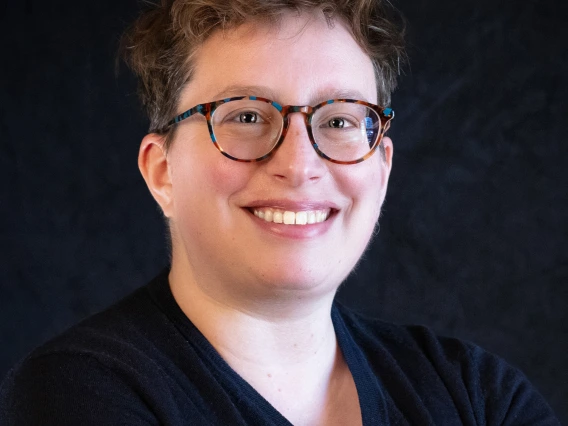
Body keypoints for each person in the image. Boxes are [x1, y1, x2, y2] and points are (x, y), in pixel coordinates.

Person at [0, 0, 559, 425]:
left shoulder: (476, 394)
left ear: (381, 169)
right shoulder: (77, 393)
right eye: (244, 116)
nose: (298, 164)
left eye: (339, 120)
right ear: (162, 172)